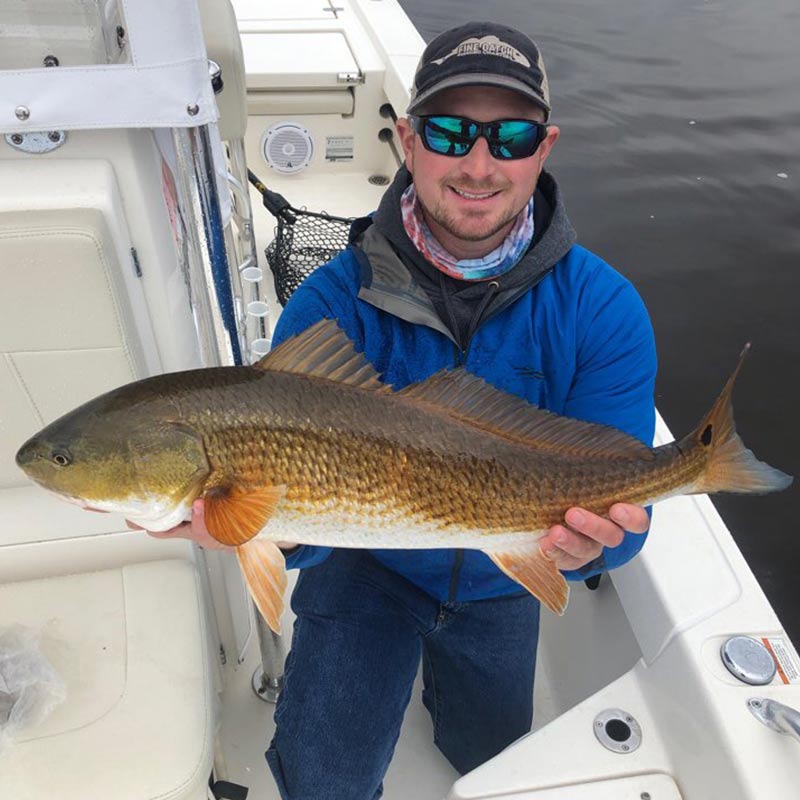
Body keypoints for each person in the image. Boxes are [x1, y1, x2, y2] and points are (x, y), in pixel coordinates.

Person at [143, 21, 656, 799]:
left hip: (502, 583)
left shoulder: (604, 309)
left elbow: (616, 496)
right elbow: (310, 528)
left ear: (542, 149)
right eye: (451, 133)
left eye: (509, 136)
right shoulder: (327, 306)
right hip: (367, 570)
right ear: (408, 139)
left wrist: (596, 550)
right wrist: (256, 531)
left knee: (489, 756)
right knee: (321, 778)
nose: (479, 165)